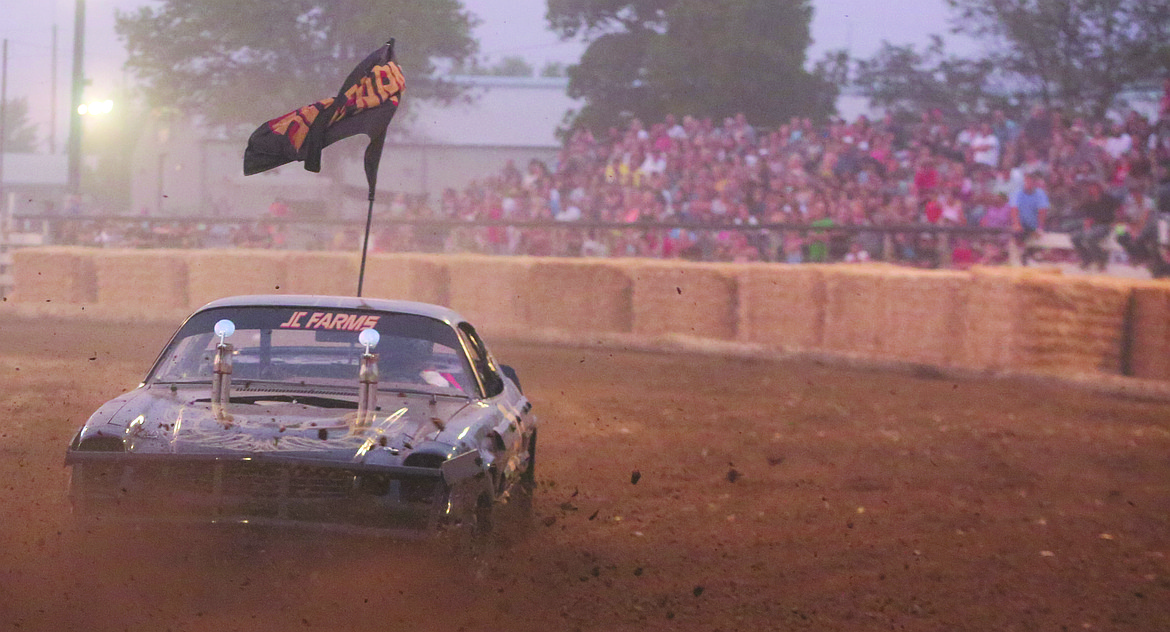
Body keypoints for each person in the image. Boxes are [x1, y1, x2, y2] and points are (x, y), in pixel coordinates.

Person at [1071, 182, 1119, 271]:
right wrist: (1087, 227)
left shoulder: (1108, 198)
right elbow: (1087, 217)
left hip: (1105, 225)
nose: (1092, 190)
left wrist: (1116, 223)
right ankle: (1087, 259)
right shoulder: (1089, 201)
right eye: (1090, 188)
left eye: (1094, 188)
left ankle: (1101, 259)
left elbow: (1119, 209)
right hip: (1093, 226)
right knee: (1075, 237)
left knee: (1090, 237)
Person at [1010, 172, 1051, 264]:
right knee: (1016, 233)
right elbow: (1014, 210)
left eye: (1031, 181)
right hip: (1021, 224)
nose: (1029, 183)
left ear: (1034, 183)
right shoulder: (1018, 193)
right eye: (1027, 181)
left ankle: (1032, 255)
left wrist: (1040, 227)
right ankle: (1023, 254)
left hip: (1034, 223)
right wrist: (1016, 224)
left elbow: (1042, 211)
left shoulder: (1040, 194)